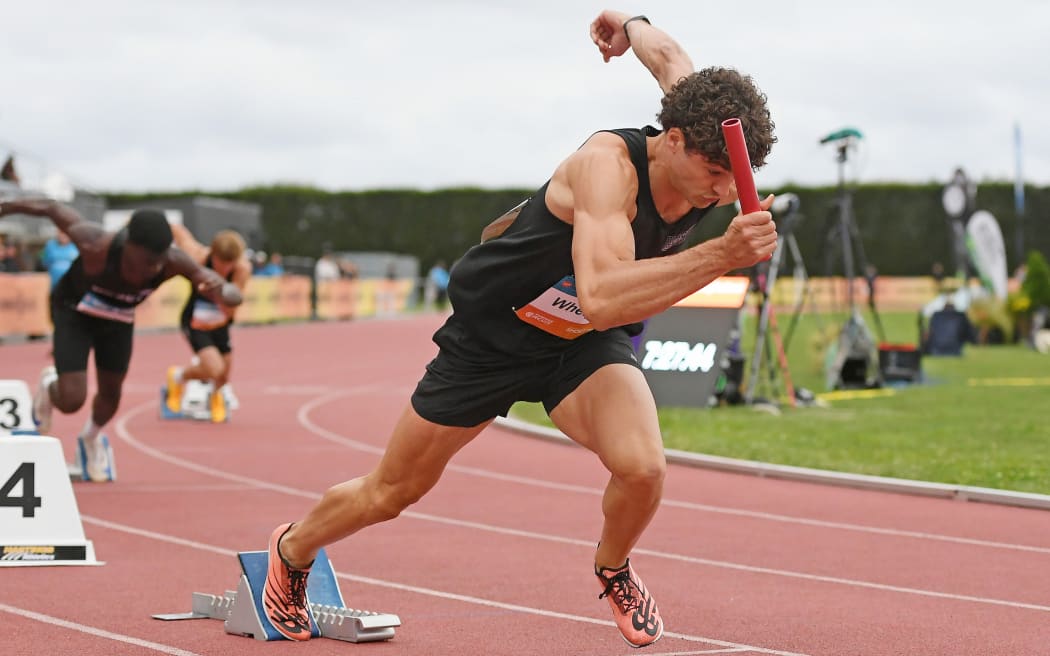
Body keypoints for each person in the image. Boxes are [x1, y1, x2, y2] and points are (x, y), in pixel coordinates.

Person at [261, 10, 777, 648]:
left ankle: (612, 567)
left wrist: (630, 21)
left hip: (580, 343)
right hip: (494, 339)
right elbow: (601, 294)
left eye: (737, 177)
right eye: (712, 174)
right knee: (392, 492)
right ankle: (292, 551)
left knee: (643, 468)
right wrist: (721, 255)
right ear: (671, 138)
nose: (723, 192)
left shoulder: (704, 126)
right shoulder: (606, 167)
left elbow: (669, 56)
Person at [0, 198, 243, 481]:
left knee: (111, 396)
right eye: (146, 261)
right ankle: (48, 387)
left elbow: (227, 291)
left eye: (159, 261)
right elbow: (51, 208)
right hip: (74, 313)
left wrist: (223, 291)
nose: (153, 269)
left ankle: (90, 439)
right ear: (128, 244)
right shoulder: (95, 244)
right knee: (71, 398)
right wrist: (5, 207)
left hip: (117, 321)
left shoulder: (173, 262)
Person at [165, 224, 252, 422]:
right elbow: (179, 232)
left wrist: (222, 295)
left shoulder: (242, 269)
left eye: (230, 264)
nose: (225, 268)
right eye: (221, 262)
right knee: (213, 368)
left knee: (224, 375)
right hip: (195, 320)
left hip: (220, 322)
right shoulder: (198, 257)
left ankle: (214, 398)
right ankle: (177, 377)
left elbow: (233, 308)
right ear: (213, 254)